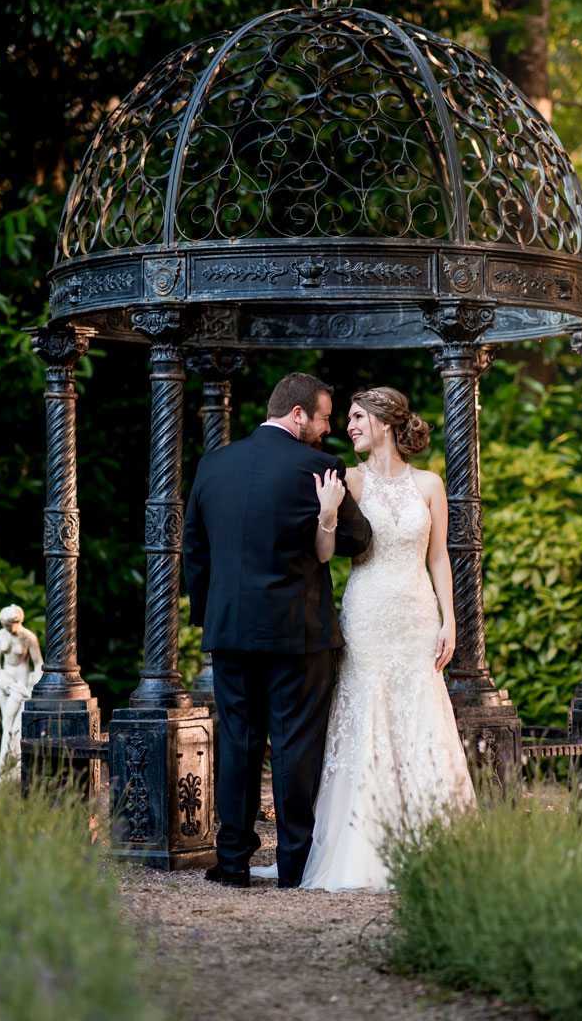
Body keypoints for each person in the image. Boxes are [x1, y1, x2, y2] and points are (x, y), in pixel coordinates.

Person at [182, 372, 372, 888]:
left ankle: (232, 863)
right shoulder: (318, 468)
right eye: (325, 417)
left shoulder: (214, 464)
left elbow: (194, 551)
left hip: (230, 632)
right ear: (298, 415)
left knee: (238, 743)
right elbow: (359, 539)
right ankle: (294, 865)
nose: (328, 428)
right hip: (297, 631)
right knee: (295, 746)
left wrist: (210, 616)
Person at [299, 386, 476, 891]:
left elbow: (439, 556)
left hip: (418, 612)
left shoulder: (429, 483)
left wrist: (450, 618)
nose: (348, 426)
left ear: (384, 421)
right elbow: (324, 552)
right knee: (367, 710)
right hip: (368, 611)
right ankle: (365, 845)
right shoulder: (347, 480)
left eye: (357, 417)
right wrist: (327, 513)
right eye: (348, 418)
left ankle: (432, 841)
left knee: (420, 711)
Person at [0, 603, 43, 782]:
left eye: (7, 625)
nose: (5, 628)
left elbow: (38, 664)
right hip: (5, 684)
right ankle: (11, 767)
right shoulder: (1, 634)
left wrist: (33, 685)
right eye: (3, 625)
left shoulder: (29, 637)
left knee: (13, 727)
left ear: (17, 622)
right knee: (7, 725)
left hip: (21, 686)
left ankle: (3, 769)